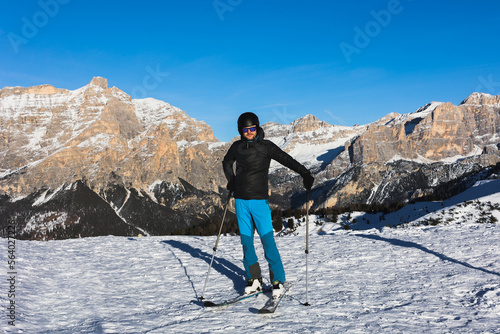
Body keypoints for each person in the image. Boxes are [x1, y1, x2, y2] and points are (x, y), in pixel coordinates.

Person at [222, 112, 314, 299]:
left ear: (257, 128)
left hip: (259, 201)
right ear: (241, 130)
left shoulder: (266, 147)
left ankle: (277, 280)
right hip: (240, 201)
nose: (249, 132)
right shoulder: (237, 147)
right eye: (245, 129)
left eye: (252, 128)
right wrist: (231, 181)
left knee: (267, 241)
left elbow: (286, 159)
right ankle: (254, 279)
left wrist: (305, 173)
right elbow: (226, 162)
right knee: (246, 243)